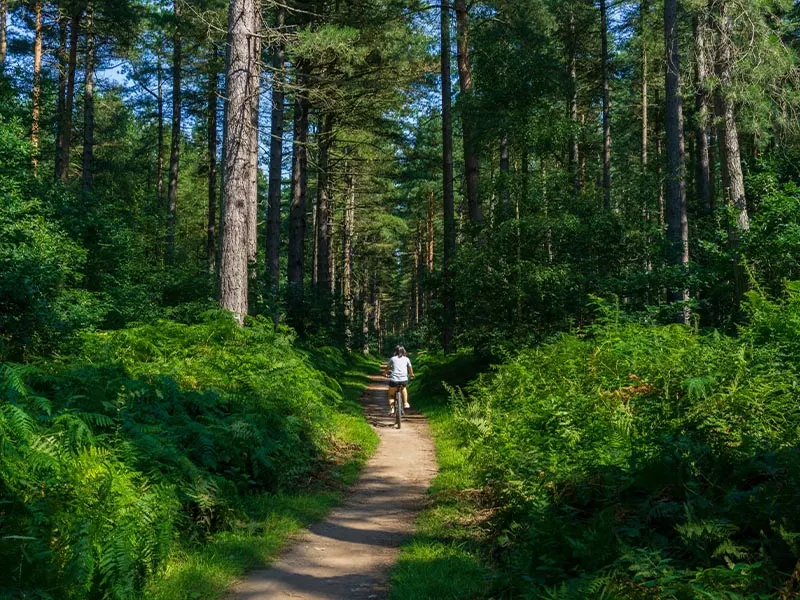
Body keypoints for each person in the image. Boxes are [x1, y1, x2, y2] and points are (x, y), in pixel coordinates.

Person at [386, 345, 414, 416]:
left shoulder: (392, 359)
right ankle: (405, 403)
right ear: (404, 351)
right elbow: (410, 369)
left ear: (395, 351)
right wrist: (411, 374)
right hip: (403, 380)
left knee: (391, 395)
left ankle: (392, 409)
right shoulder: (407, 359)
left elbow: (387, 368)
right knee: (404, 388)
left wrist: (384, 373)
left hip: (394, 380)